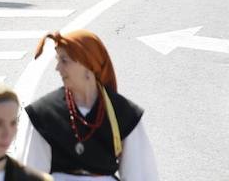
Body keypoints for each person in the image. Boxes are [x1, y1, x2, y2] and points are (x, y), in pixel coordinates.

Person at [22, 30, 159, 180]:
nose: (58, 68)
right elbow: (30, 173)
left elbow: (141, 175)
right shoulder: (44, 113)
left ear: (87, 65)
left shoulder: (123, 113)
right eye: (58, 60)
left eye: (64, 60)